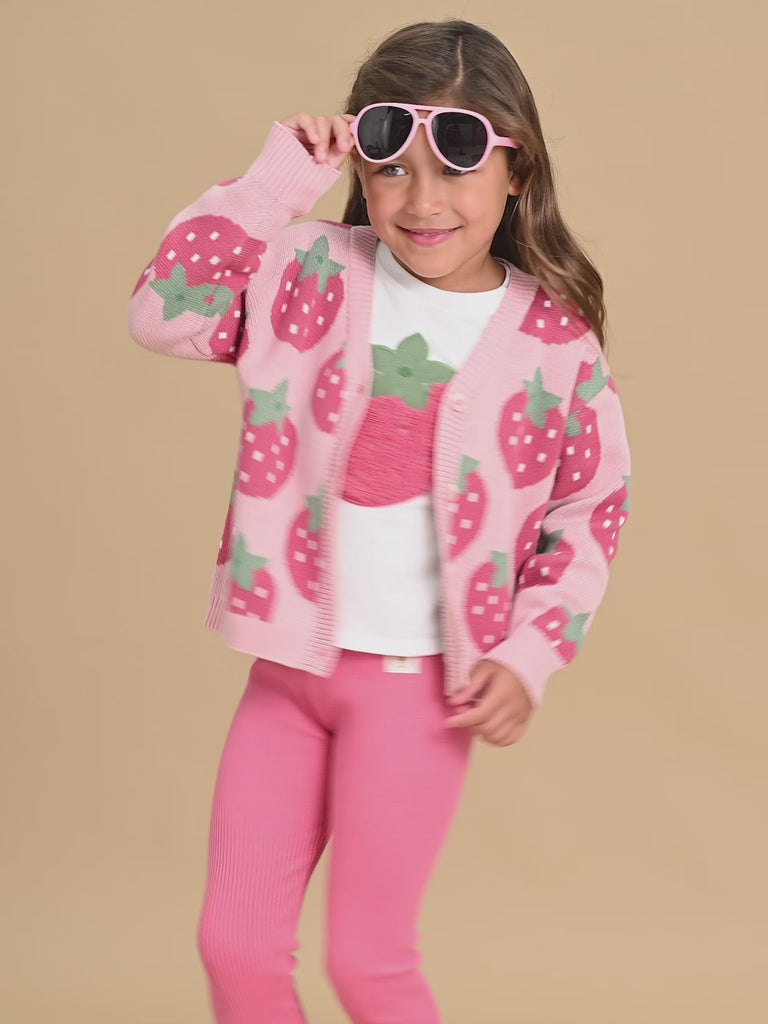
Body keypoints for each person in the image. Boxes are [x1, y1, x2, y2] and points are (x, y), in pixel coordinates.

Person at [126, 17, 631, 1024]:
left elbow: (589, 511)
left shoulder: (553, 341)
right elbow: (162, 314)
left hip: (417, 695)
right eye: (390, 168)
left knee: (367, 962)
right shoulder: (309, 269)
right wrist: (274, 183)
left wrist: (530, 653)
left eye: (455, 170)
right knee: (234, 946)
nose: (421, 201)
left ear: (517, 172)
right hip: (286, 675)